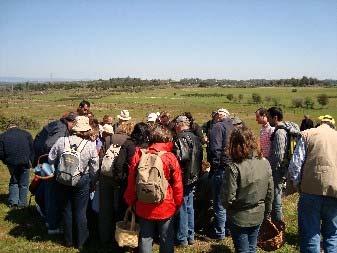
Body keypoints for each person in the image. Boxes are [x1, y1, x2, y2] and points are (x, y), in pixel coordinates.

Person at [124, 125, 183, 253]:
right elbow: (177, 184)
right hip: (166, 204)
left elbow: (132, 181)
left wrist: (131, 200)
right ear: (167, 139)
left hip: (143, 202)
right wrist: (178, 204)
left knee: (145, 237)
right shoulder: (170, 157)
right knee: (166, 237)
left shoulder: (139, 155)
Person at [48, 116, 99, 249]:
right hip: (82, 179)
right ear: (86, 129)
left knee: (66, 209)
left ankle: (68, 240)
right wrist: (93, 181)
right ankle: (81, 241)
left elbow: (50, 158)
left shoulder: (61, 141)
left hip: (63, 178)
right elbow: (94, 167)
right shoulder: (89, 145)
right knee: (80, 211)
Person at [288, 115, 337, 253]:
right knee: (332, 235)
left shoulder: (307, 134)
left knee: (310, 234)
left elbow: (295, 166)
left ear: (319, 123)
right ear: (332, 125)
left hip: (310, 191)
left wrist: (299, 186)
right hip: (334, 192)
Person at [222, 127, 274, 253]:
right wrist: (267, 212)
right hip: (258, 213)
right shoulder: (265, 162)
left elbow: (228, 198)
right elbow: (270, 192)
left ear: (233, 144)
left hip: (239, 216)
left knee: (243, 249)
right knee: (252, 247)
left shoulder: (233, 167)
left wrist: (229, 208)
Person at [33, 111, 77, 234]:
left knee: (45, 190)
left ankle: (44, 211)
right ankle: (52, 226)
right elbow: (49, 144)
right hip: (48, 163)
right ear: (72, 122)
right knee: (51, 194)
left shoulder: (56, 124)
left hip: (41, 160)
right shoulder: (61, 129)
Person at [98, 122, 134, 244]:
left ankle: (104, 237)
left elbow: (101, 158)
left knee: (105, 209)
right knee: (120, 208)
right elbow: (131, 163)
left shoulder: (108, 139)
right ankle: (119, 237)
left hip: (105, 177)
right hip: (121, 179)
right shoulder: (129, 142)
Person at [173, 115, 203, 246]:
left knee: (183, 207)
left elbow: (182, 158)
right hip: (194, 175)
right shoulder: (196, 137)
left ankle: (182, 238)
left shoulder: (180, 138)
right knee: (190, 206)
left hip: (184, 177)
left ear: (180, 124)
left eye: (175, 124)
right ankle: (190, 236)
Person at [208, 108, 234, 239]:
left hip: (221, 168)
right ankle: (229, 229)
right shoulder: (233, 126)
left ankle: (220, 232)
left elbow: (215, 148)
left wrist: (215, 165)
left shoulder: (218, 126)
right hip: (233, 167)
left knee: (219, 202)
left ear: (219, 116)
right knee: (230, 200)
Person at [0, 124, 34, 209]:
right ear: (17, 127)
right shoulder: (26, 134)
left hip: (11, 162)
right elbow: (32, 149)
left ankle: (13, 202)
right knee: (24, 183)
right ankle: (22, 204)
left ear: (8, 128)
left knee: (14, 181)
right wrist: (31, 161)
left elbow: (1, 152)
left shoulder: (3, 136)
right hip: (25, 162)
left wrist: (5, 161)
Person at [267, 107, 287, 222]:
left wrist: (271, 169)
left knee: (276, 197)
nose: (268, 120)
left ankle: (278, 224)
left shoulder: (279, 132)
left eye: (269, 117)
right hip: (279, 169)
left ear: (275, 117)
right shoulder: (280, 130)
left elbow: (278, 156)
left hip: (277, 171)